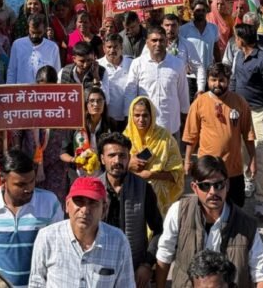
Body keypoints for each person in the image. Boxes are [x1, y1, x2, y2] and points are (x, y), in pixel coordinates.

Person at [155, 155, 263, 288]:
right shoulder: (179, 212)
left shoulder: (246, 224)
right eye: (205, 186)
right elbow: (164, 254)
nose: (213, 192)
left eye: (218, 185)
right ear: (194, 187)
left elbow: (260, 274)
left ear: (227, 185)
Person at [0, 149, 63, 287]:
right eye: (20, 184)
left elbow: (59, 249)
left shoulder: (49, 203)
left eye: (32, 181)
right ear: (3, 179)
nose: (29, 188)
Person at [28, 177, 135, 287]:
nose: (84, 210)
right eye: (79, 201)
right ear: (67, 205)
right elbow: (37, 283)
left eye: (92, 203)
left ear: (104, 209)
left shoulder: (118, 241)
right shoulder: (47, 237)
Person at [183, 63, 254, 207]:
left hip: (233, 169)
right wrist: (187, 160)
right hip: (207, 169)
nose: (217, 84)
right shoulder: (199, 103)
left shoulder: (239, 102)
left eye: (221, 80)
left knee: (235, 208)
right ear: (208, 80)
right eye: (213, 80)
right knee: (208, 208)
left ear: (228, 80)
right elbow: (191, 135)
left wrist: (253, 160)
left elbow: (248, 134)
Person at [97, 132, 164, 287]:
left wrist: (147, 264)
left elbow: (159, 230)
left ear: (129, 158)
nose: (117, 161)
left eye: (122, 156)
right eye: (111, 155)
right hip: (99, 269)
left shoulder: (143, 188)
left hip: (134, 270)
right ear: (102, 159)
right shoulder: (93, 190)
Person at [230, 23, 263, 216]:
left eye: (236, 38)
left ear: (241, 40)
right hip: (240, 111)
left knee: (259, 154)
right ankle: (248, 180)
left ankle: (260, 200)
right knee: (243, 150)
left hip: (260, 113)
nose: (235, 41)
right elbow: (234, 80)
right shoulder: (238, 56)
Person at [124, 27, 189, 137]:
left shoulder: (177, 64)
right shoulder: (137, 64)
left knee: (172, 154)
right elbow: (130, 93)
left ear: (167, 42)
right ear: (147, 43)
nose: (158, 44)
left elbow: (183, 92)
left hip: (170, 124)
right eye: (154, 40)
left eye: (161, 40)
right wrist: (128, 115)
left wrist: (185, 114)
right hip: (144, 125)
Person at [123, 96, 184, 215]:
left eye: (145, 115)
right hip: (132, 198)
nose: (141, 119)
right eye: (137, 115)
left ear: (152, 116)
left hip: (159, 201)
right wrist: (128, 164)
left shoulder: (165, 138)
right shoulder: (124, 139)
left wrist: (152, 175)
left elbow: (177, 174)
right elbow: (113, 169)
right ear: (131, 116)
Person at [60, 87, 114, 178]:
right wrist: (75, 160)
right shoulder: (76, 125)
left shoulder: (111, 125)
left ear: (104, 103)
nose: (96, 104)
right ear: (86, 104)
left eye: (99, 100)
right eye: (92, 101)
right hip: (78, 174)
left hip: (103, 174)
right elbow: (63, 153)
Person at [7, 14, 61, 84]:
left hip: (44, 91)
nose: (35, 35)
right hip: (22, 91)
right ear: (28, 28)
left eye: (39, 33)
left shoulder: (53, 47)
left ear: (45, 29)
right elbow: (12, 71)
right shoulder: (17, 45)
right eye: (32, 32)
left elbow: (57, 73)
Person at [163, 13, 206, 100]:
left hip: (181, 89)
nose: (170, 29)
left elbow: (198, 67)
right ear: (162, 26)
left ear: (179, 26)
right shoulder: (153, 44)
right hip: (161, 89)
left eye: (173, 25)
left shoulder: (187, 44)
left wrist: (200, 89)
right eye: (167, 25)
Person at [98, 33, 132, 130]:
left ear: (121, 47)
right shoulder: (98, 65)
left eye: (115, 47)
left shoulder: (132, 64)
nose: (112, 50)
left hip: (128, 117)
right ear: (104, 48)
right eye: (109, 47)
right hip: (106, 118)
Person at [179, 0, 220, 72]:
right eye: (198, 10)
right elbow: (180, 50)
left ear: (206, 12)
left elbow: (216, 49)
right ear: (192, 12)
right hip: (191, 74)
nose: (201, 13)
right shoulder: (183, 29)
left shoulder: (213, 28)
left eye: (203, 10)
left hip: (208, 71)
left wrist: (219, 66)